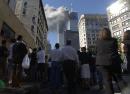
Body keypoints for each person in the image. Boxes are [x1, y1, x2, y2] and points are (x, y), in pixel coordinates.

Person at [96, 28, 119, 94]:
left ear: (100, 34)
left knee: (107, 81)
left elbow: (96, 51)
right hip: (113, 61)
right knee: (118, 79)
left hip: (102, 63)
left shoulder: (98, 41)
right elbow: (116, 49)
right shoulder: (114, 40)